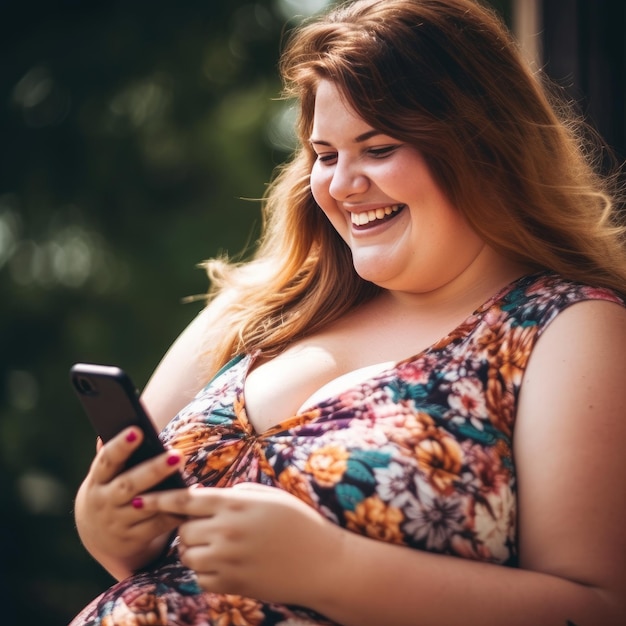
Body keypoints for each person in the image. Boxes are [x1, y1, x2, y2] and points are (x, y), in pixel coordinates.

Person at [70, 0, 626, 624]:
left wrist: (334, 567)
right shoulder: (258, 306)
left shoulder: (563, 328)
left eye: (379, 147)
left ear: (483, 145)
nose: (340, 185)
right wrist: (106, 529)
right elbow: (147, 550)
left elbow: (598, 608)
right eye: (326, 155)